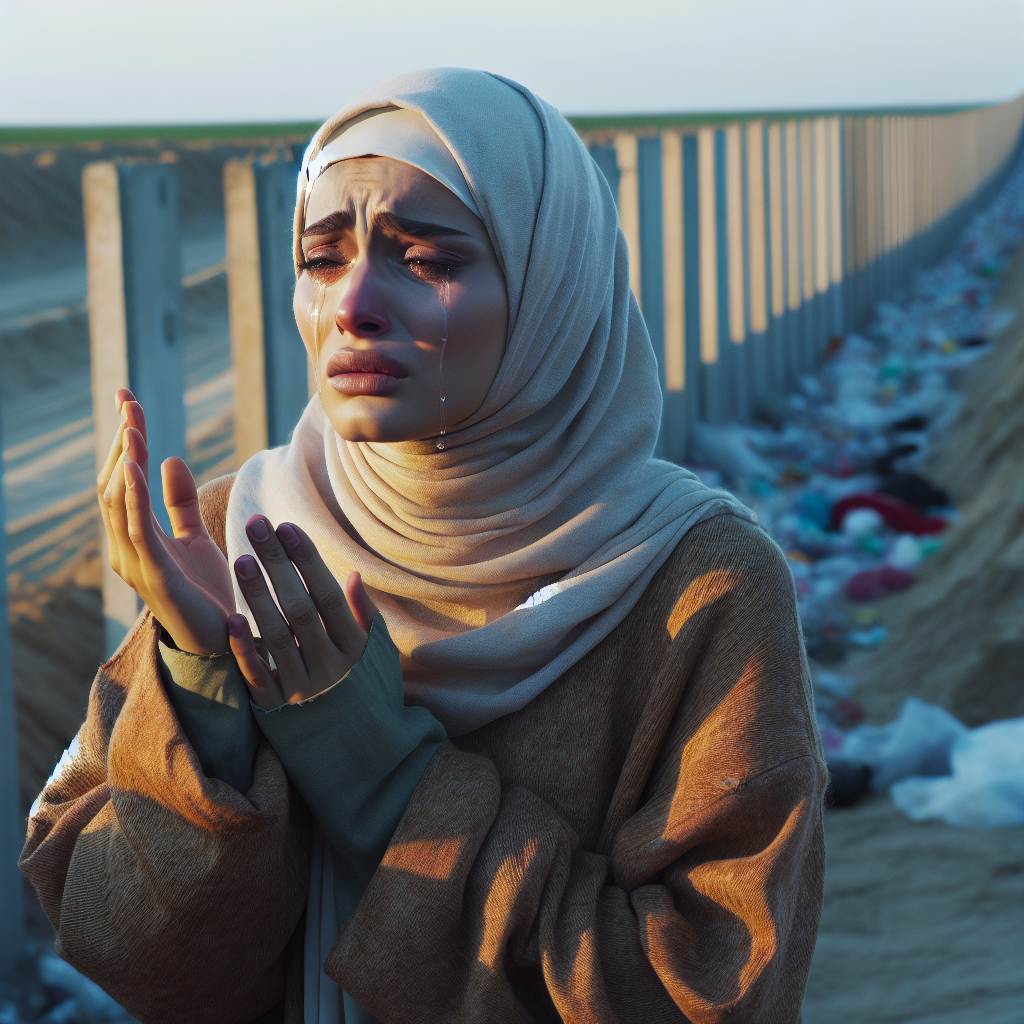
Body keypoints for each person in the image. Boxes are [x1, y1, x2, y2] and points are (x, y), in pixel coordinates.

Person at [20, 68, 826, 1024]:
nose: (355, 304)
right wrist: (202, 694)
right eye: (322, 259)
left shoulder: (694, 583)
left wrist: (386, 780)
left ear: (548, 288)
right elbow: (126, 947)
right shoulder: (245, 536)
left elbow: (715, 990)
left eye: (427, 259)